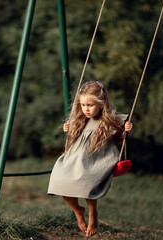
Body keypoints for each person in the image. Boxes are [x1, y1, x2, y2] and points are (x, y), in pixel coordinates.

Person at [47, 81, 133, 237]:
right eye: (83, 105)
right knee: (58, 180)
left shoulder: (109, 120)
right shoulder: (79, 118)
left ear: (101, 104)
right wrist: (68, 129)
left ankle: (93, 214)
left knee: (88, 183)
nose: (86, 109)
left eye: (90, 105)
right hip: (75, 158)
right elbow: (74, 137)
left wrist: (125, 132)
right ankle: (78, 210)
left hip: (96, 159)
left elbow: (118, 139)